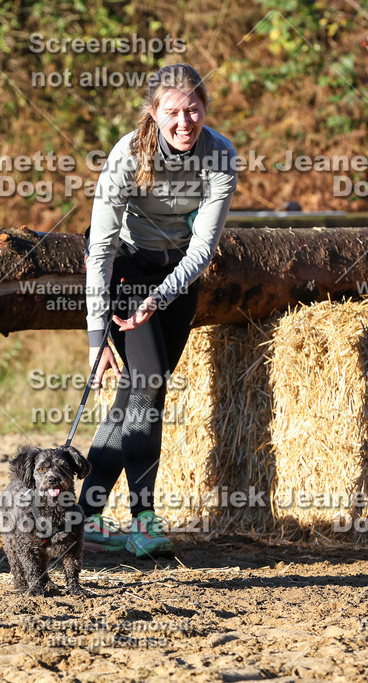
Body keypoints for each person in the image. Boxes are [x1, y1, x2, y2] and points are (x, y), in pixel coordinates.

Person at [80, 63, 238, 557]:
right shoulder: (128, 154)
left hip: (176, 282)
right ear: (154, 112)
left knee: (137, 395)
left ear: (205, 110)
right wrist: (96, 337)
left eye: (193, 109)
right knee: (147, 388)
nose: (184, 121)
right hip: (127, 268)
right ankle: (143, 519)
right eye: (173, 111)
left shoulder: (220, 155)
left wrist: (160, 297)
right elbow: (100, 249)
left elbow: (202, 251)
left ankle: (84, 515)